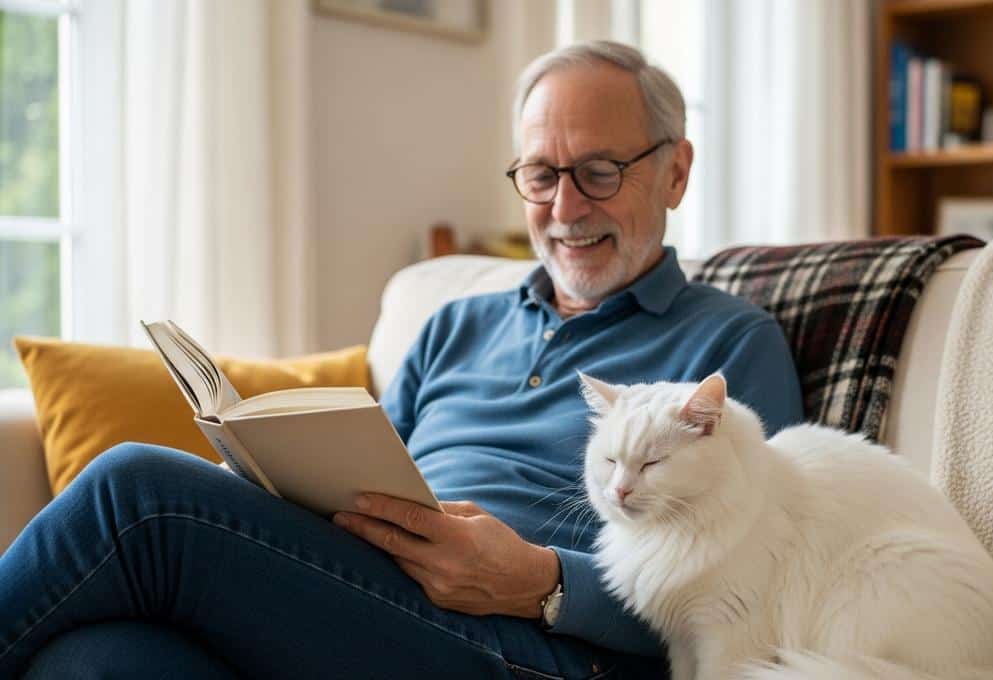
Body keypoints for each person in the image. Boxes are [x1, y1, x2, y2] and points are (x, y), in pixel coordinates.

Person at [0, 41, 802, 679]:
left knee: (136, 492)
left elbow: (749, 591)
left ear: (676, 171)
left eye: (598, 172)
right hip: (371, 606)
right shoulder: (456, 324)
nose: (564, 208)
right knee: (93, 663)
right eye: (540, 173)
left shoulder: (727, 347)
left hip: (540, 648)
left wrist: (542, 583)